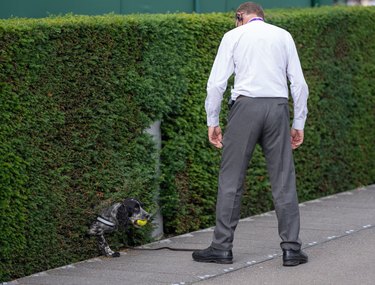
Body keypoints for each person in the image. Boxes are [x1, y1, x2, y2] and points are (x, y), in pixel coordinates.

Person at [192, 2, 309, 266]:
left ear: (240, 16)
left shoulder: (233, 36)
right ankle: (291, 249)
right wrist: (298, 123)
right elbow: (299, 84)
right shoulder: (283, 35)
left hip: (244, 108)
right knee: (283, 179)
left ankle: (221, 248)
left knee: (231, 179)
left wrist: (213, 120)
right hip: (277, 108)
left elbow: (216, 84)